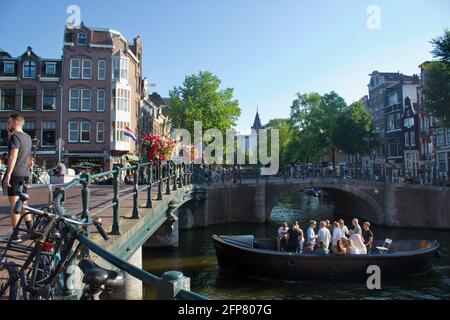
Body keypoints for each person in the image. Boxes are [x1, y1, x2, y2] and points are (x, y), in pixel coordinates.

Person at [2, 113, 32, 243]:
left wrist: (8, 174)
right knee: (24, 202)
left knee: (14, 204)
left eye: (9, 123)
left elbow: (13, 157)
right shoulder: (28, 137)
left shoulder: (15, 137)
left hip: (15, 174)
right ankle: (31, 231)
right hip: (25, 174)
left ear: (16, 122)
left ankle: (16, 235)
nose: (7, 125)